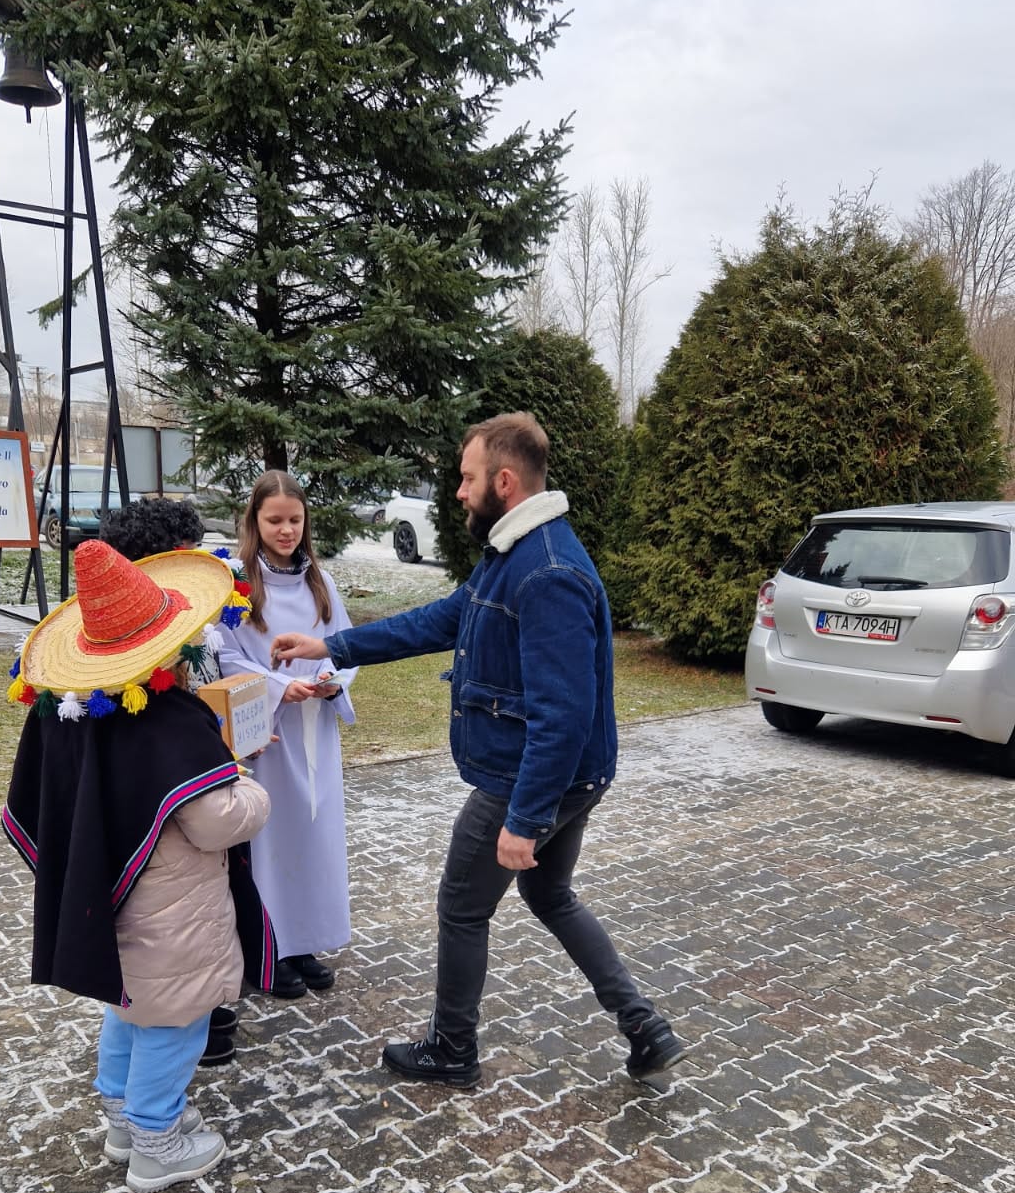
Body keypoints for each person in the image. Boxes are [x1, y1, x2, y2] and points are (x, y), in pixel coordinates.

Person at [272, 412, 685, 1089]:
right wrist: (332, 645)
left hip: (528, 778)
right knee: (550, 895)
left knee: (462, 906)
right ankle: (645, 1028)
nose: (459, 492)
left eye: (467, 479)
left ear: (505, 481)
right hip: (562, 776)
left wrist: (524, 819)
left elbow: (563, 716)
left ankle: (452, 1048)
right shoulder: (511, 553)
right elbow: (442, 618)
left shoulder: (545, 573)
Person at [3, 539, 272, 1192]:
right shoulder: (167, 719)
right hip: (174, 908)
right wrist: (247, 786)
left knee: (129, 1005)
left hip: (104, 893)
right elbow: (213, 822)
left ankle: (123, 1121)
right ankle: (157, 1143)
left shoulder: (67, 711)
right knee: (175, 1018)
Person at [98, 494, 247, 1069]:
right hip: (178, 809)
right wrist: (230, 774)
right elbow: (204, 811)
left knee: (174, 948)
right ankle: (156, 1106)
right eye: (183, 556)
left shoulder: (185, 628)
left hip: (203, 774)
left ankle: (205, 1011)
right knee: (170, 956)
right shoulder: (128, 671)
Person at [217, 469, 358, 999]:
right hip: (265, 734)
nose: (286, 530)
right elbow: (226, 655)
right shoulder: (237, 585)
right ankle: (267, 947)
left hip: (314, 729)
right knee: (269, 838)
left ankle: (302, 940)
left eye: (295, 520)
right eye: (274, 520)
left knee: (312, 836)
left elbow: (345, 645)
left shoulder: (321, 582)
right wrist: (279, 687)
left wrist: (330, 679)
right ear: (254, 520)